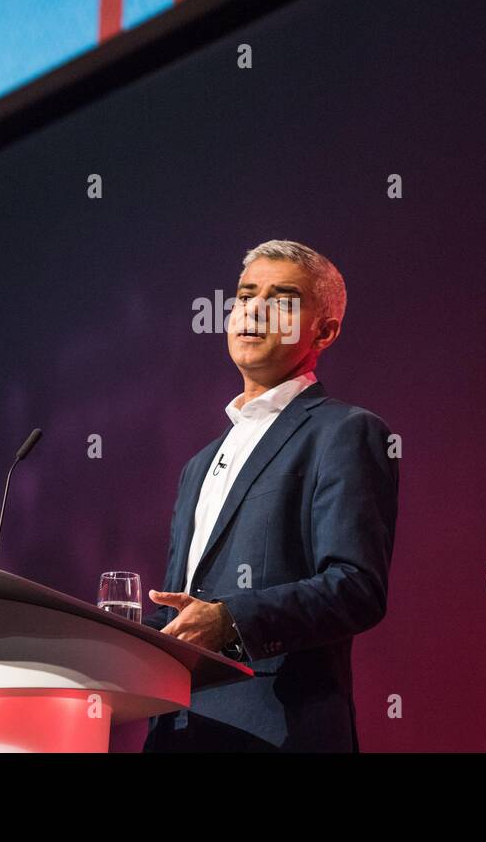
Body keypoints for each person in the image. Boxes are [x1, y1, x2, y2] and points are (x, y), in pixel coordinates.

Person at [142, 239, 398, 751]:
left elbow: (355, 588)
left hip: (274, 732)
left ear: (323, 331)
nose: (253, 310)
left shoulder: (344, 432)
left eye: (282, 300)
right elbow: (183, 610)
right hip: (178, 731)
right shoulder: (199, 464)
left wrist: (231, 620)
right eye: (244, 295)